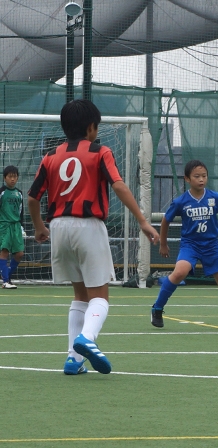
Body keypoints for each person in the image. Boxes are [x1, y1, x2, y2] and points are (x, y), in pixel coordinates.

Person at [28, 99, 159, 375]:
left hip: (59, 228)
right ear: (91, 128)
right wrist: (142, 221)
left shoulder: (50, 156)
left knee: (80, 295)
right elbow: (119, 186)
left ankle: (73, 360)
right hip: (88, 226)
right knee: (100, 296)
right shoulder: (100, 152)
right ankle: (86, 339)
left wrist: (40, 227)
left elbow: (32, 197)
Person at [150, 159, 218, 330]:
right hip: (190, 245)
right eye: (196, 176)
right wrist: (163, 243)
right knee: (179, 273)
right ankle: (157, 308)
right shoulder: (181, 201)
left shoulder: (215, 198)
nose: (201, 179)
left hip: (211, 246)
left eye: (204, 176)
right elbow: (165, 221)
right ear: (187, 179)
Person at [0, 165, 25, 289]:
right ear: (5, 178)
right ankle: (5, 281)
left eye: (15, 176)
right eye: (10, 176)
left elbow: (21, 211)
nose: (12, 179)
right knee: (4, 251)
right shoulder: (2, 192)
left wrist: (22, 226)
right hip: (4, 225)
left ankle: (6, 277)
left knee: (19, 253)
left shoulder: (19, 194)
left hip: (16, 226)